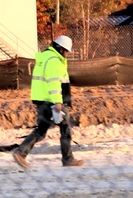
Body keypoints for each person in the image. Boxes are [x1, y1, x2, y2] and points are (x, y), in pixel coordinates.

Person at [12, 35, 84, 168]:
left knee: (42, 129)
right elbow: (53, 82)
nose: (67, 54)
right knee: (65, 128)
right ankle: (68, 159)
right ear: (61, 49)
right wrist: (58, 102)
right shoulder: (54, 60)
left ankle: (21, 152)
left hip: (42, 99)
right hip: (52, 100)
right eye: (67, 51)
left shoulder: (45, 57)